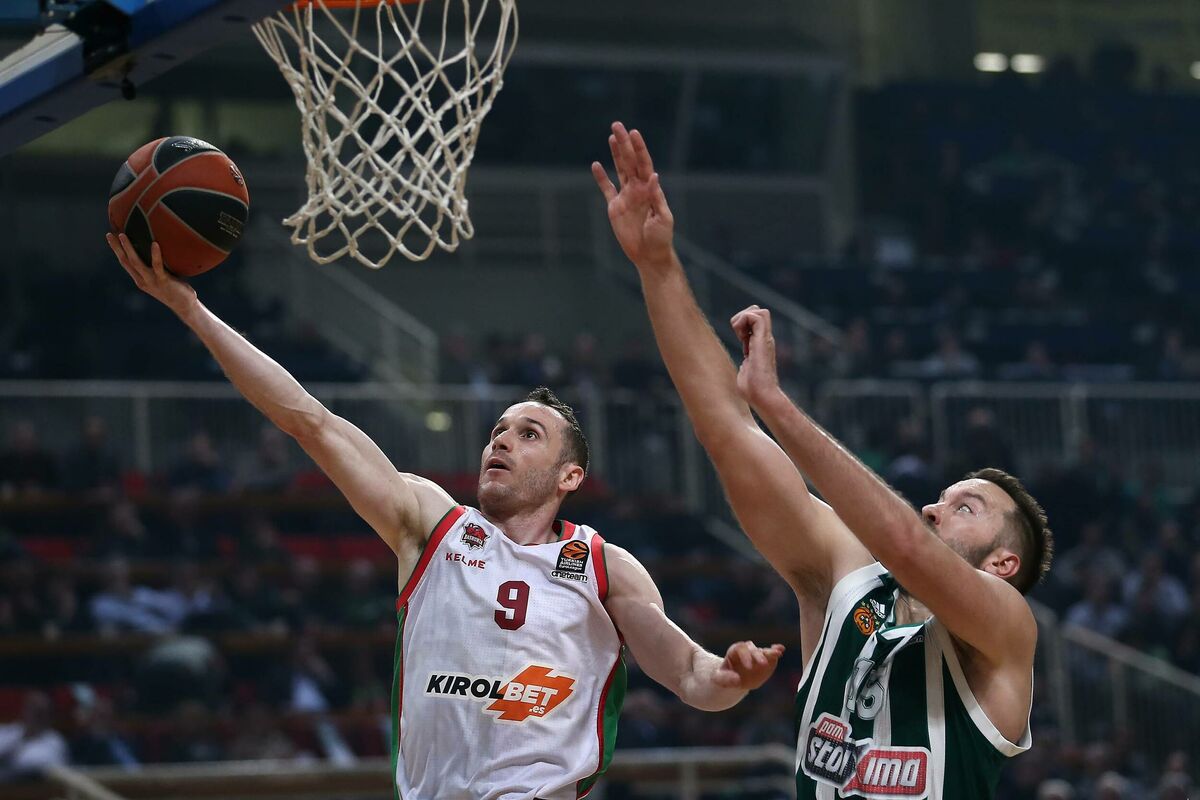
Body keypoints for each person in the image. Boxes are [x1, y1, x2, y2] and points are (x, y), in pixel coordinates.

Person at [105, 231, 783, 799]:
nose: (501, 442)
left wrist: (732, 677)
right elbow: (310, 421)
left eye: (528, 434)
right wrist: (192, 310)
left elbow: (690, 676)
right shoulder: (433, 523)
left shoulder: (604, 567)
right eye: (497, 431)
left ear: (570, 476)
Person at [594, 121, 1054, 799]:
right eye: (943, 497)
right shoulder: (849, 584)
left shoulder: (1006, 630)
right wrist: (656, 265)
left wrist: (778, 406)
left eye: (966, 507)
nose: (934, 507)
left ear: (1003, 564)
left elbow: (904, 543)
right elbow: (728, 431)